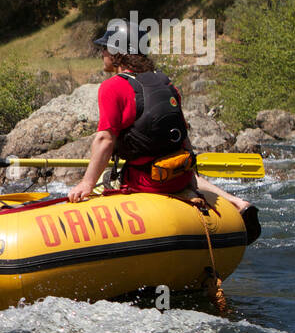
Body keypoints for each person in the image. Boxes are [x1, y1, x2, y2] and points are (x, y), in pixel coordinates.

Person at [69, 25, 260, 240]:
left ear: (117, 52)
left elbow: (105, 139)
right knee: (186, 175)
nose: (102, 53)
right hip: (179, 173)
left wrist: (86, 183)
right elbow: (183, 135)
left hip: (145, 181)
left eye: (105, 48)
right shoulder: (164, 81)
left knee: (105, 181)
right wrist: (190, 169)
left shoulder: (113, 87)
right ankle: (236, 202)